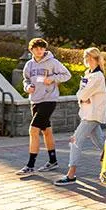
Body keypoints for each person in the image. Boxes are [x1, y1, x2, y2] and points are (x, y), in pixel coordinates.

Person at [55, 48, 106, 185]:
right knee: (100, 143)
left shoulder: (98, 76)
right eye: (86, 58)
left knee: (75, 140)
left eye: (91, 58)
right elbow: (81, 93)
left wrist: (82, 96)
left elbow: (83, 94)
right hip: (86, 113)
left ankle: (71, 174)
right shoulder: (87, 73)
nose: (88, 60)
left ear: (97, 60)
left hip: (92, 114)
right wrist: (82, 97)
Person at [17, 38, 72, 174]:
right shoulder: (29, 65)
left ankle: (30, 165)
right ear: (31, 50)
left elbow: (67, 75)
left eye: (42, 48)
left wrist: (52, 79)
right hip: (35, 100)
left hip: (49, 99)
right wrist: (27, 87)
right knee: (46, 131)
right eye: (36, 48)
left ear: (45, 49)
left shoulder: (53, 62)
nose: (39, 50)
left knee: (33, 130)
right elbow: (26, 80)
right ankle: (53, 161)